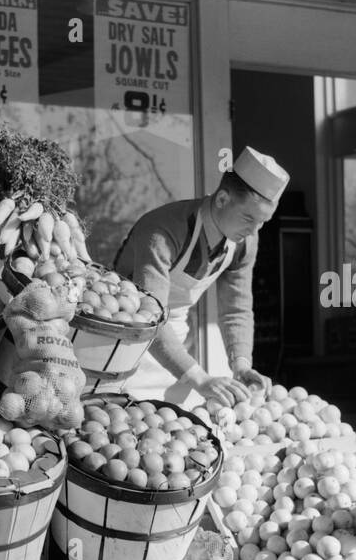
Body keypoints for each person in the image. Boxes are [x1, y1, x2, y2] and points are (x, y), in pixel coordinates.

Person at [114, 146, 289, 408]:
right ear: (222, 199)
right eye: (248, 218)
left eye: (263, 222)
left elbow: (236, 309)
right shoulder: (162, 231)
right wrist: (199, 377)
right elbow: (151, 316)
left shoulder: (244, 241)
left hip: (177, 346)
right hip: (126, 341)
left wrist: (241, 364)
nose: (254, 230)